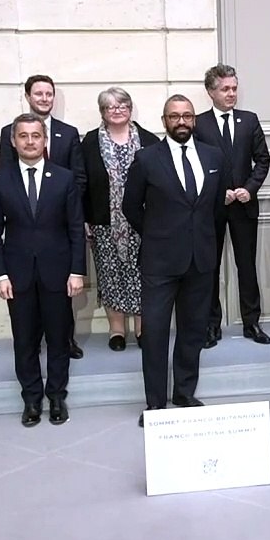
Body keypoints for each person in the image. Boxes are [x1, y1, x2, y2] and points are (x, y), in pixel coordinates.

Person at [123, 95, 232, 426]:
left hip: (200, 260)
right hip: (159, 262)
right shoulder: (146, 159)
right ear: (164, 120)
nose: (181, 121)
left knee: (193, 330)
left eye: (186, 116)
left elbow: (215, 208)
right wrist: (158, 235)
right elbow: (131, 208)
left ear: (194, 120)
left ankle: (184, 392)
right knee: (155, 332)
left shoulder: (214, 157)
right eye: (174, 116)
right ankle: (155, 404)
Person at [0, 114, 86, 426]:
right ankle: (31, 399)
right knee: (24, 340)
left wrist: (77, 271)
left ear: (45, 141)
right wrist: (0, 275)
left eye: (36, 136)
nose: (30, 141)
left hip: (58, 272)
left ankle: (56, 397)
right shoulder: (0, 180)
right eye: (23, 136)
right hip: (17, 276)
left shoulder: (65, 178)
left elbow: (74, 229)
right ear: (13, 141)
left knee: (58, 338)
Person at [0, 74, 87, 359]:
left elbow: (78, 176)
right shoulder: (9, 132)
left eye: (49, 94)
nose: (44, 98)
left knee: (60, 305)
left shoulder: (68, 132)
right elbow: (5, 179)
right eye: (39, 94)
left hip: (58, 223)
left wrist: (68, 209)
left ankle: (66, 341)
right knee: (26, 326)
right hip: (24, 230)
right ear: (28, 96)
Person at [193, 64, 270, 348]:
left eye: (234, 88)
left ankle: (251, 322)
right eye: (225, 89)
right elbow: (195, 166)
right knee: (209, 268)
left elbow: (263, 160)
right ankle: (211, 325)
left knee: (246, 266)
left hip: (243, 207)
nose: (231, 94)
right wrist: (218, 193)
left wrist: (248, 189)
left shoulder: (249, 120)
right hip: (210, 209)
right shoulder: (198, 124)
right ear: (211, 91)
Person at [81, 88, 159, 351]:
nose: (117, 110)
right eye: (110, 106)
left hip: (143, 222)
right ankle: (116, 330)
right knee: (110, 274)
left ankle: (142, 327)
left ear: (130, 108)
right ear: (102, 112)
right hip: (103, 222)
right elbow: (82, 182)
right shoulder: (90, 142)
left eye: (122, 105)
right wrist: (82, 217)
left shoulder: (149, 140)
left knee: (142, 275)